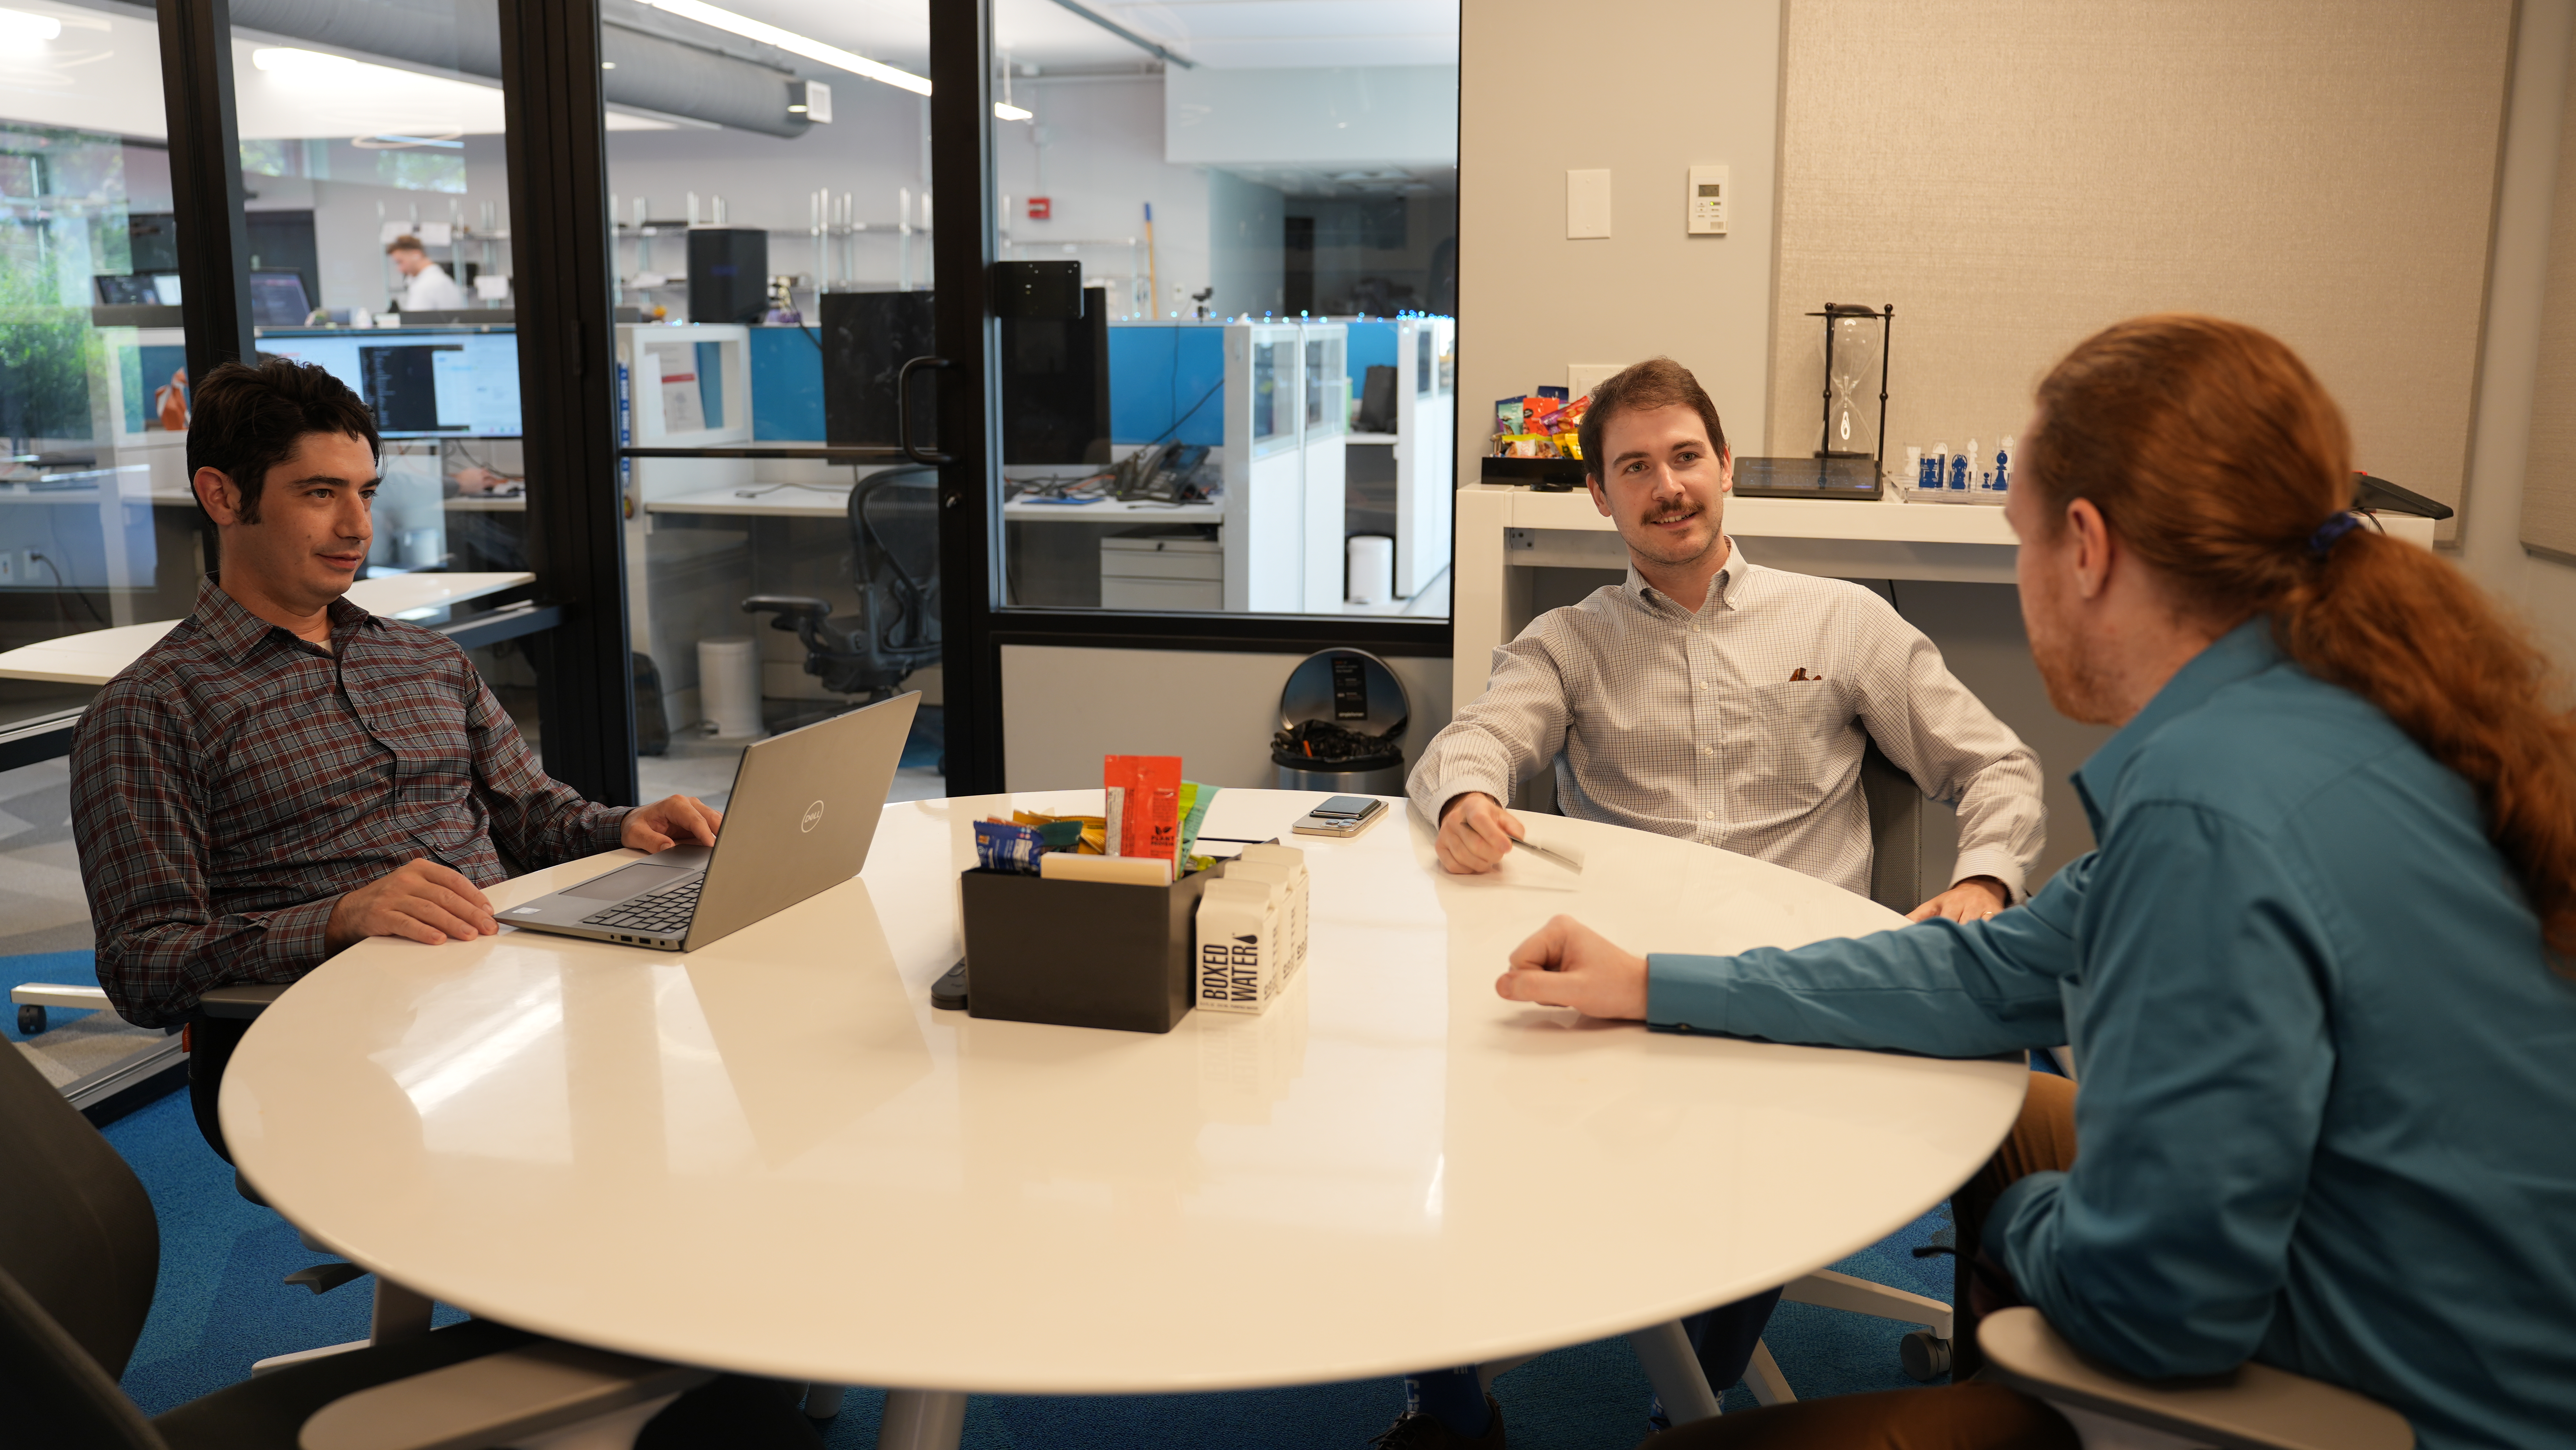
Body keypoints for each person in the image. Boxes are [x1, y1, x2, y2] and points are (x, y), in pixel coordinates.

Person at [1491, 316, 2576, 1450]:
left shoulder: (2204, 809)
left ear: (2088, 547)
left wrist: (2023, 1226)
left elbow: (2161, 1306)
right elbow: (1983, 971)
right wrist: (1654, 982)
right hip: (2446, 1288)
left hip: (2407, 1408)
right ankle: (1997, 1393)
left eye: (2017, 543)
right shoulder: (2353, 702)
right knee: (2017, 1115)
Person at [1381, 359, 2048, 1447]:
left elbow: (1999, 767)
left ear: (1724, 466)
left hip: (1792, 989)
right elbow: (1480, 737)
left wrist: (1981, 880)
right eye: (1634, 467)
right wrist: (1463, 794)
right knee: (1446, 1102)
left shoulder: (1840, 623)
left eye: (1685, 457)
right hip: (1611, 979)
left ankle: (1682, 1404)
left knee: (1753, 1163)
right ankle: (1448, 1410)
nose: (1667, 486)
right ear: (1600, 495)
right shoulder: (1569, 638)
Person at [70, 357, 721, 1154]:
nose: (358, 527)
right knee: (644, 1117)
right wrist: (339, 919)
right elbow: (142, 962)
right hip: (328, 1038)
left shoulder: (424, 659)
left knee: (716, 1044)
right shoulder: (153, 707)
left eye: (366, 492)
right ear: (222, 496)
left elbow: (539, 817)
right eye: (320, 493)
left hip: (507, 989)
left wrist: (631, 826)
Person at [387, 233, 466, 312]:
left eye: (400, 262)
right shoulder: (439, 280)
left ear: (416, 255)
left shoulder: (427, 285)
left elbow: (416, 322)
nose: (400, 269)